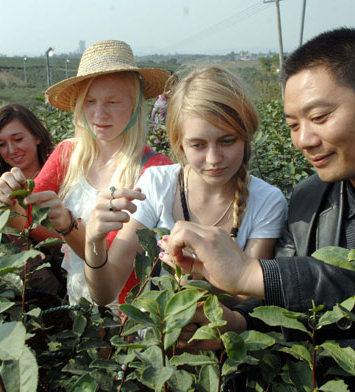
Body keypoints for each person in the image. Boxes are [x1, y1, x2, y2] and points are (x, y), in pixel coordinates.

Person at [159, 27, 355, 385]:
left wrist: (251, 274)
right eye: (293, 125)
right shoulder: (308, 198)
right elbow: (289, 303)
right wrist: (235, 322)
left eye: (319, 117)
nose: (304, 139)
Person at [84, 66, 287, 307]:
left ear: (247, 135)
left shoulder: (267, 201)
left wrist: (193, 275)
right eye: (198, 145)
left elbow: (248, 302)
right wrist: (93, 241)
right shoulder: (157, 185)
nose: (213, 158)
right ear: (180, 145)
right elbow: (105, 294)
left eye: (227, 141)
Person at [0, 40, 173, 307]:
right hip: (80, 300)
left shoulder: (154, 168)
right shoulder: (69, 153)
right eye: (90, 102)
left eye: (112, 102)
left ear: (135, 105)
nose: (99, 114)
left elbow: (110, 261)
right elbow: (29, 219)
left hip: (132, 313)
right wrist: (6, 202)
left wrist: (67, 226)